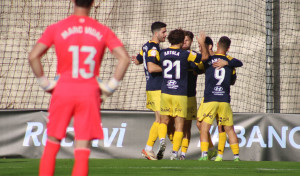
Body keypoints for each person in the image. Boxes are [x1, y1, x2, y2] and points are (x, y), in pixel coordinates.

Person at [28, 0, 130, 175]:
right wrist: (109, 87)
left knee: (52, 144)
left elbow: (33, 56)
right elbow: (125, 58)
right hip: (89, 93)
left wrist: (45, 83)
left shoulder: (57, 28)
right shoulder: (102, 30)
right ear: (93, 3)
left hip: (63, 90)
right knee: (82, 149)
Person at [158, 29, 209, 160]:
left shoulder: (162, 53)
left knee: (163, 121)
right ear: (181, 41)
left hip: (165, 92)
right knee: (180, 126)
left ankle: (162, 140)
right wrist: (202, 43)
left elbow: (157, 61)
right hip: (180, 93)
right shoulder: (187, 54)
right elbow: (204, 58)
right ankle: (175, 153)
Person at [197, 36, 243, 161]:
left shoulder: (209, 59)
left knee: (204, 127)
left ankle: (204, 155)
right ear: (228, 48)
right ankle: (236, 157)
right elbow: (239, 65)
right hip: (224, 99)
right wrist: (227, 63)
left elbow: (201, 61)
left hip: (210, 98)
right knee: (229, 129)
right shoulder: (230, 62)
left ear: (216, 45)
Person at [132, 21, 167, 160]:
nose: (166, 34)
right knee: (161, 119)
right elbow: (152, 68)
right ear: (156, 33)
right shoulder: (153, 48)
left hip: (153, 87)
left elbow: (138, 60)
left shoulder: (146, 45)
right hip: (156, 87)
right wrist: (168, 69)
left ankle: (149, 148)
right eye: (164, 32)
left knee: (159, 119)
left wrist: (137, 60)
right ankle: (149, 147)